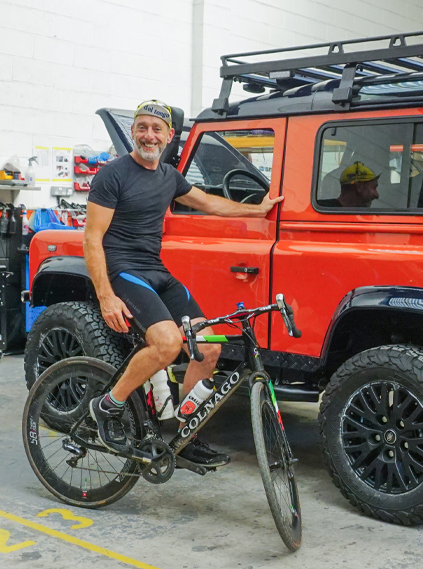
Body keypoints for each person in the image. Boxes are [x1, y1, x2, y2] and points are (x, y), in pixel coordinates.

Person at [84, 100, 282, 468]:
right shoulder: (112, 174)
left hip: (156, 270)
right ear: (133, 132)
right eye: (142, 127)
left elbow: (208, 203)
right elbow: (92, 238)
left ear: (169, 136)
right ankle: (107, 406)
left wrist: (257, 209)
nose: (149, 135)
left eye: (157, 129)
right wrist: (106, 296)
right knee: (168, 344)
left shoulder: (169, 177)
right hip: (124, 271)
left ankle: (185, 434)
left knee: (208, 348)